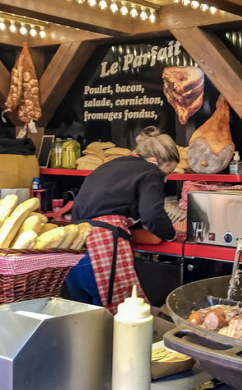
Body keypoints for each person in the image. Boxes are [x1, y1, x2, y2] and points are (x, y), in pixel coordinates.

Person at [64, 127, 179, 313]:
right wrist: (171, 234)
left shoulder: (111, 165)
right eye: (166, 173)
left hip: (73, 249)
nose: (165, 180)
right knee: (122, 321)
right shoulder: (150, 171)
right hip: (102, 249)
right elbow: (152, 214)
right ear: (153, 161)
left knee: (85, 324)